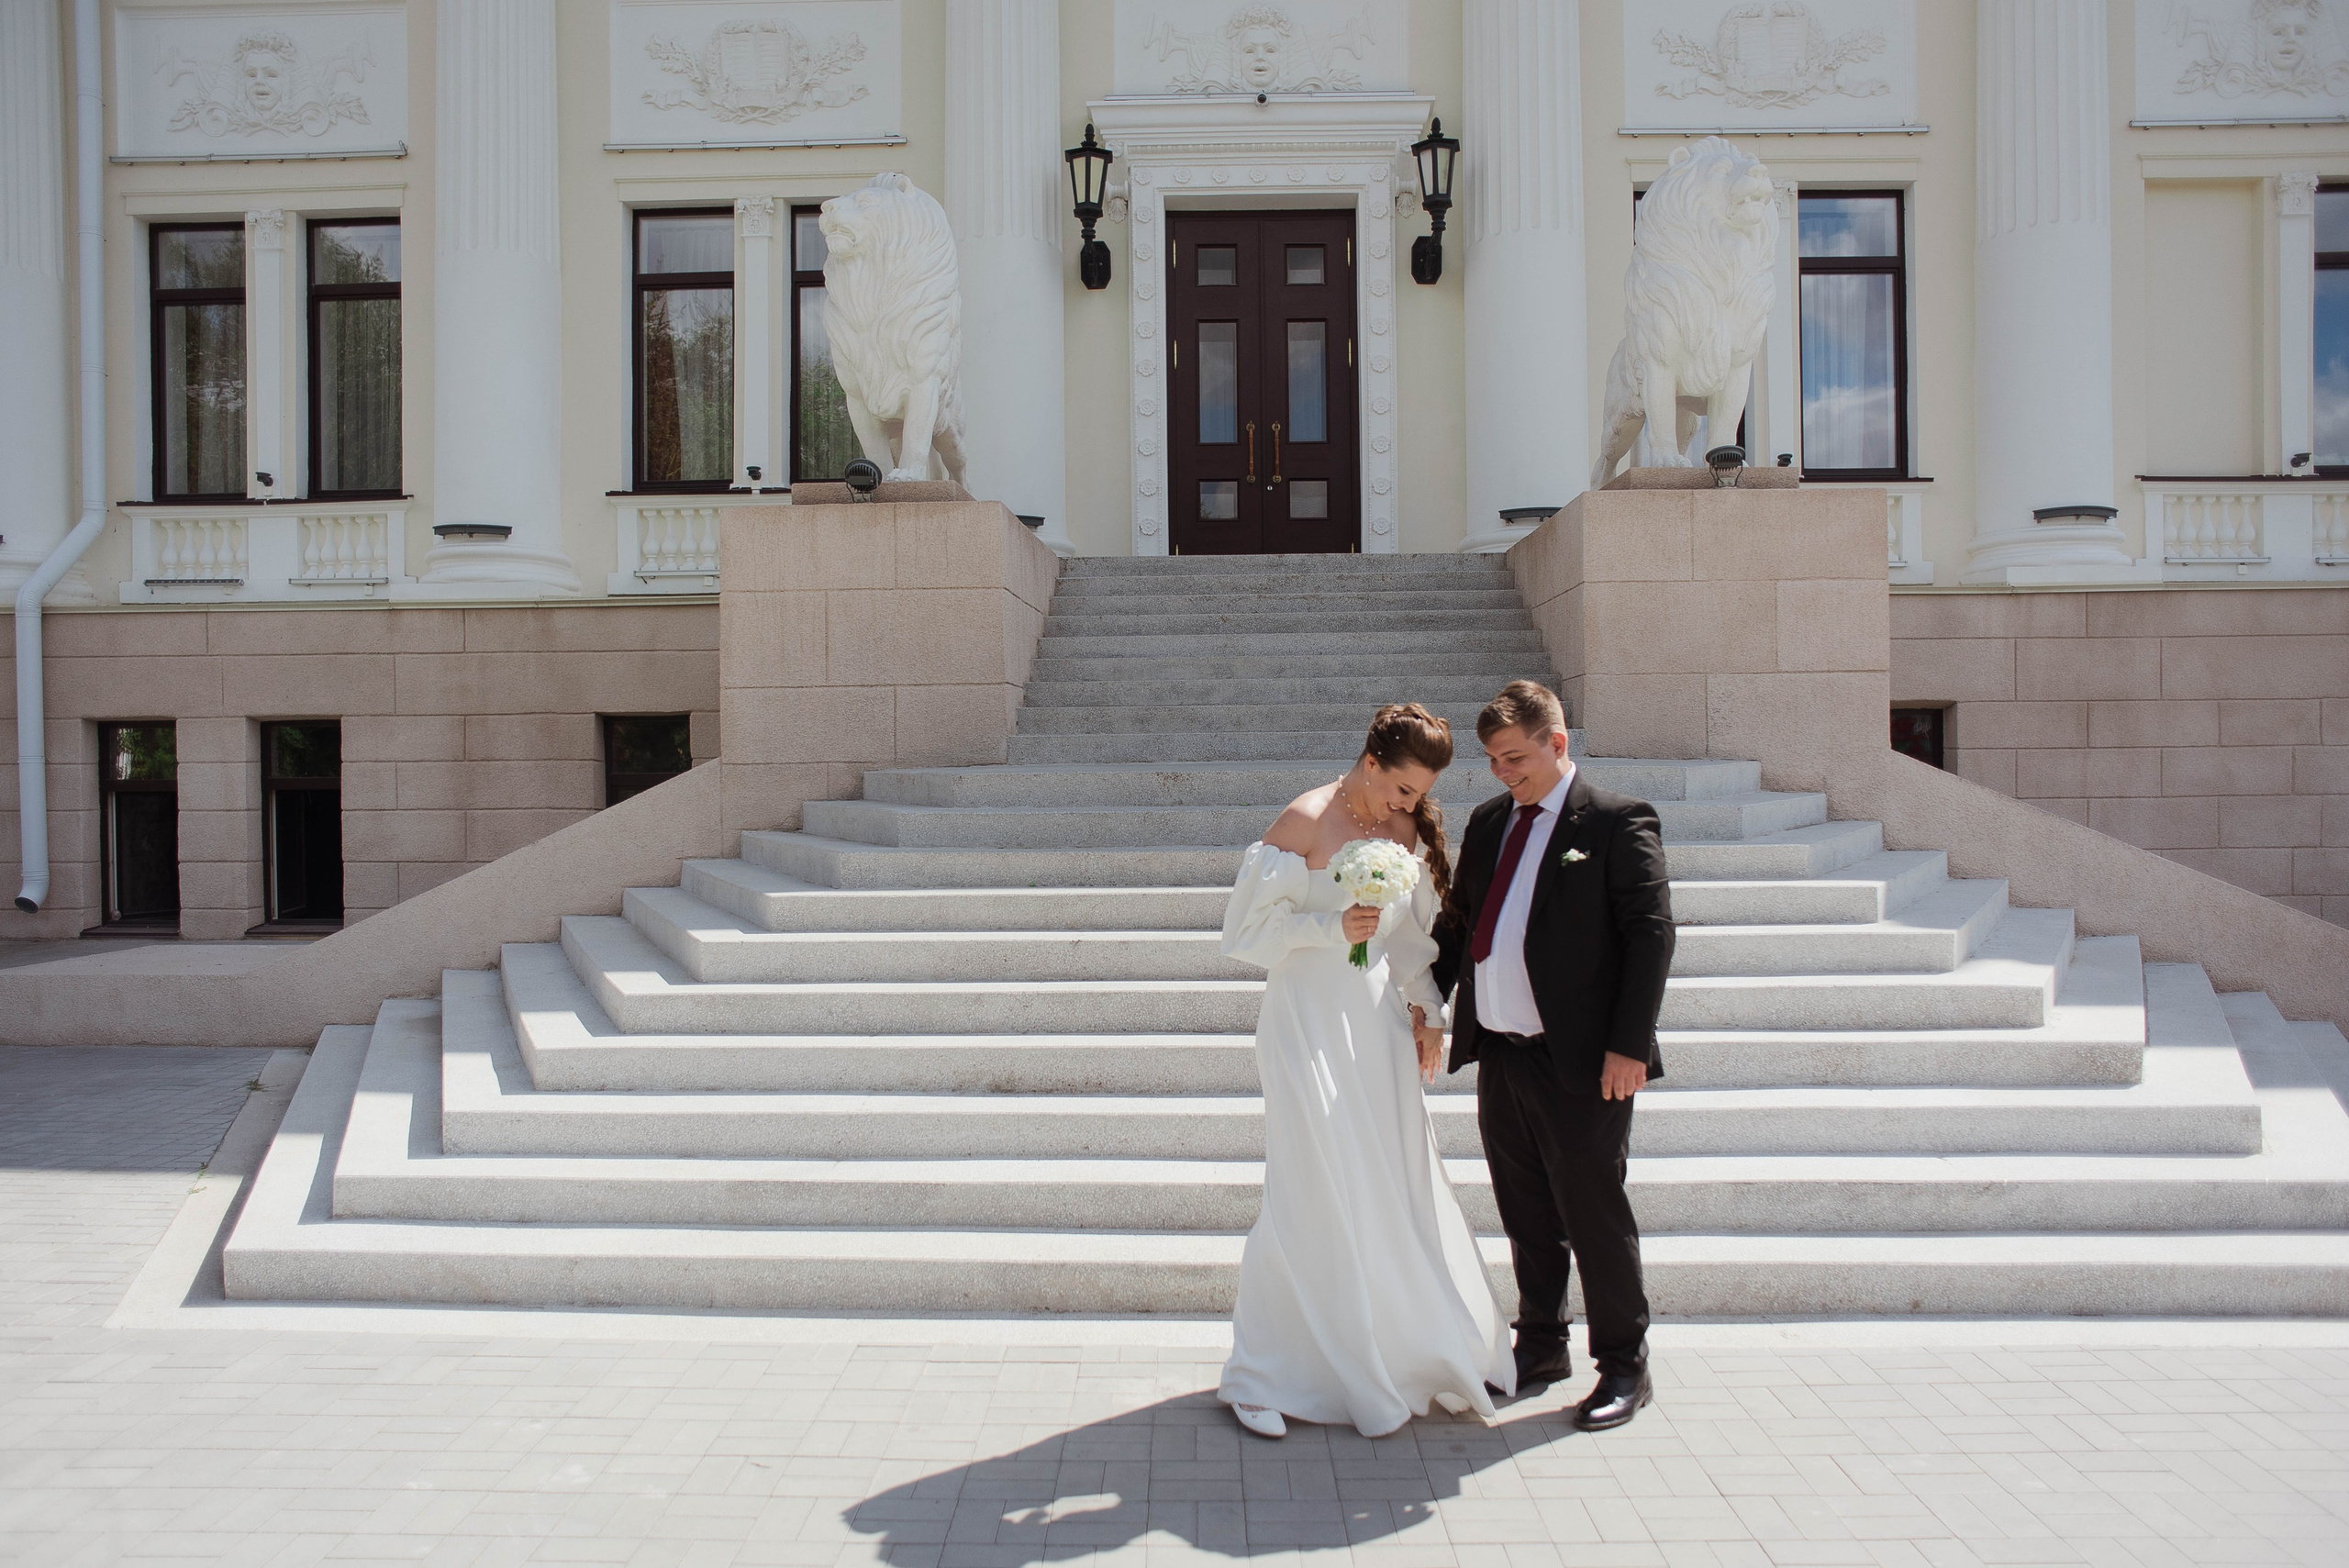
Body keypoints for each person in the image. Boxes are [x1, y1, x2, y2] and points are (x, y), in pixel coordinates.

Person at [1217, 704, 1514, 1439]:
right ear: (1371, 763)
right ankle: (1262, 1373)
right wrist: (1329, 926)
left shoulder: (1403, 831)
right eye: (1402, 788)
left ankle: (1399, 1351)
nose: (1406, 805)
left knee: (1392, 1183)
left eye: (1418, 795)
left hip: (1373, 1027)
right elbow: (1244, 934)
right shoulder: (1304, 820)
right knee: (1307, 1187)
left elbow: (1407, 941)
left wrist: (1428, 1011)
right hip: (1304, 1023)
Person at [1434, 681, 1675, 1432]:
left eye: (1515, 757)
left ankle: (1625, 1363)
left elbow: (1650, 933)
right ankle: (1540, 1343)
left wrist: (1628, 1045)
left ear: (1557, 743)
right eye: (1492, 759)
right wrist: (1423, 1000)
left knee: (1593, 1212)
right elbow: (1460, 921)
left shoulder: (1613, 820)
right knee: (1526, 1211)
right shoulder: (1489, 821)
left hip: (1583, 1060)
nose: (1502, 771)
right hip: (1502, 1054)